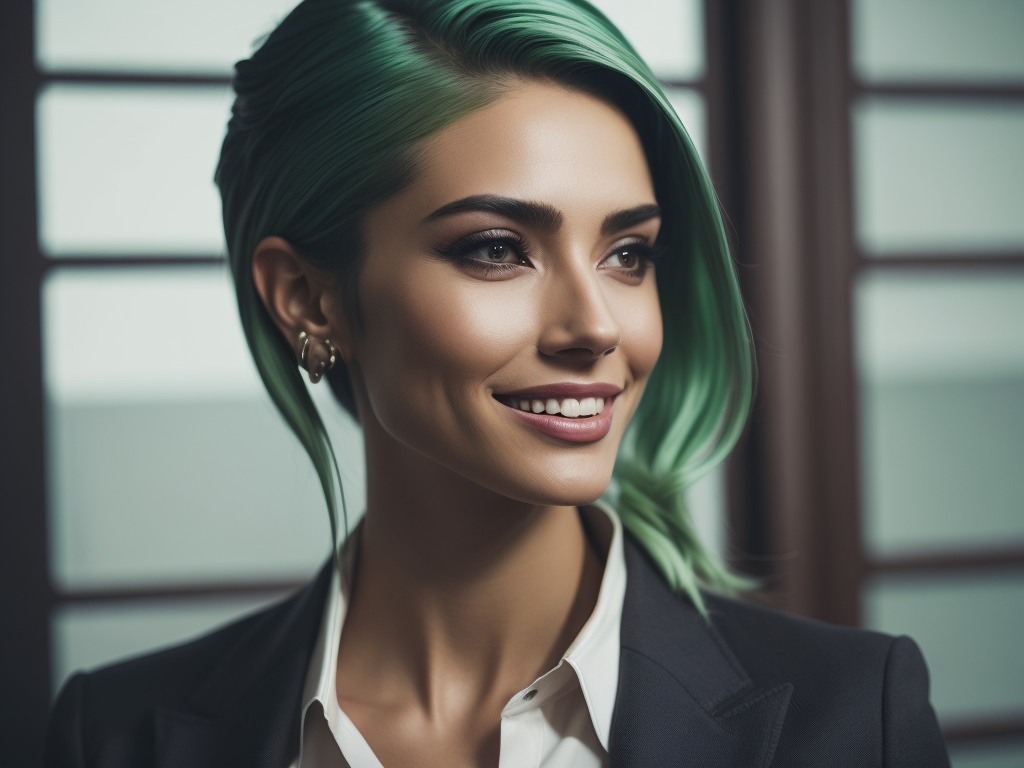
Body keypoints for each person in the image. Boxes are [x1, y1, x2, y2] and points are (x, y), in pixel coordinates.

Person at [45, 0, 950, 766]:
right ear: (308, 299)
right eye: (495, 249)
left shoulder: (853, 718)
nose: (596, 325)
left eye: (628, 253)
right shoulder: (113, 735)